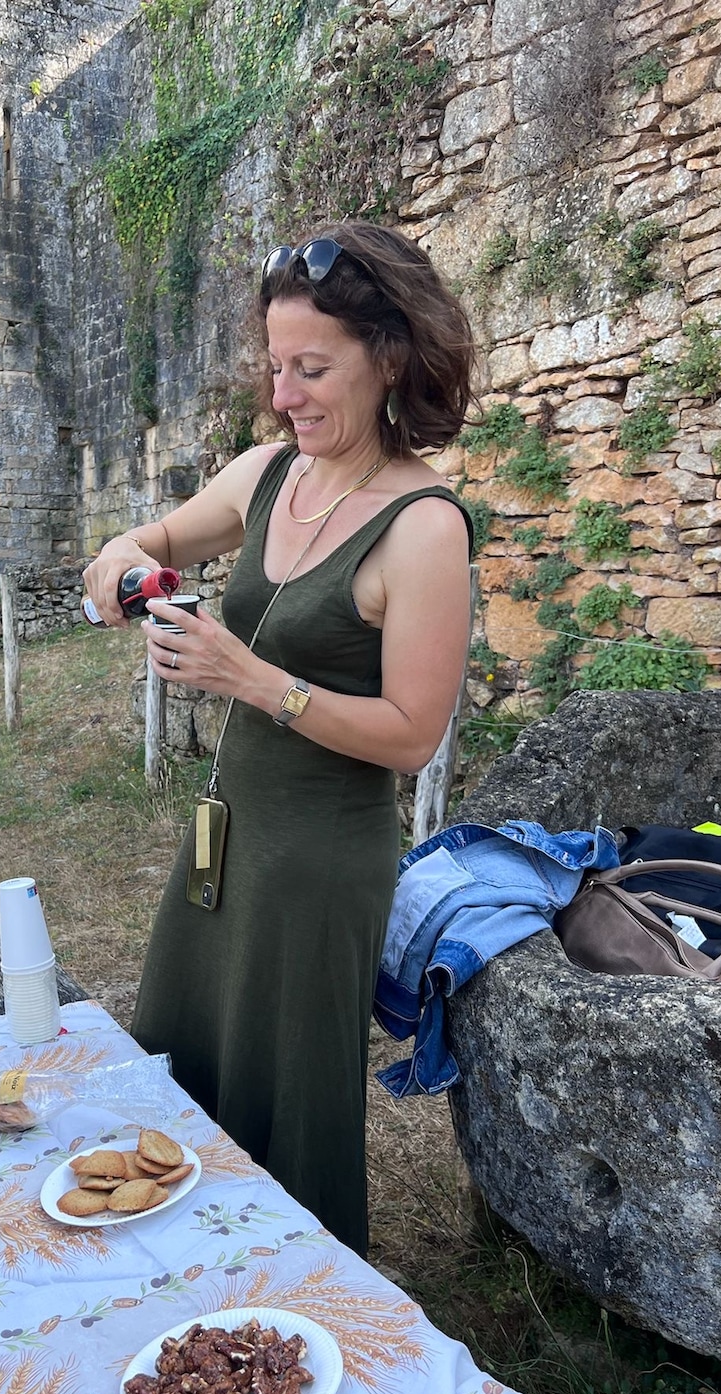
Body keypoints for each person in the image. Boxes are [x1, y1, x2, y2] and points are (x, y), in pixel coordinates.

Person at [83, 222, 476, 1255]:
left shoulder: (423, 526)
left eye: (312, 368)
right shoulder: (268, 474)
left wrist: (253, 681)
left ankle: (294, 1310)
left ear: (388, 359)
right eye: (273, 365)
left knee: (288, 1105)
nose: (284, 394)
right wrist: (124, 558)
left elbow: (411, 734)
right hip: (225, 840)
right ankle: (182, 1274)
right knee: (179, 1050)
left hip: (319, 867)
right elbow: (159, 536)